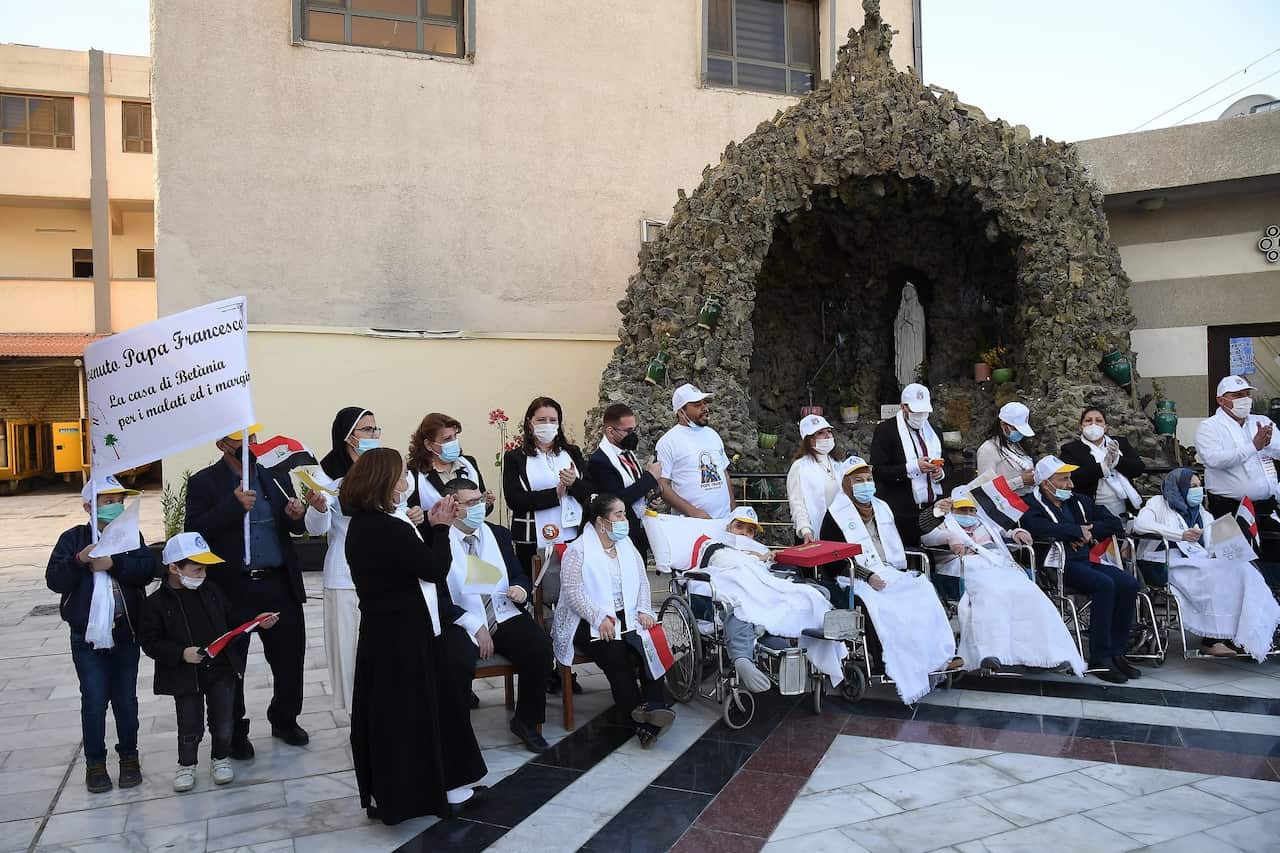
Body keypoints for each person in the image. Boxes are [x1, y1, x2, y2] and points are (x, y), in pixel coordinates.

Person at [344, 448, 486, 823]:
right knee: (410, 717)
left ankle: (399, 792)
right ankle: (418, 795)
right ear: (385, 483)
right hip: (403, 634)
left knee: (395, 715)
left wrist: (428, 526)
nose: (407, 483)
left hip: (385, 631)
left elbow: (406, 561)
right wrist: (439, 529)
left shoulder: (366, 523)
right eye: (402, 477)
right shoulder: (386, 526)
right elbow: (433, 568)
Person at [185, 424, 309, 758]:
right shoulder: (203, 482)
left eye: (251, 437)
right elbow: (193, 532)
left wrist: (297, 517)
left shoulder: (274, 476)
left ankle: (285, 718)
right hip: (231, 588)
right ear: (221, 443)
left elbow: (292, 527)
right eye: (240, 438)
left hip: (277, 582)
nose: (249, 443)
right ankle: (236, 730)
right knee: (231, 663)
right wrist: (232, 507)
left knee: (289, 657)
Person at [139, 532, 280, 791]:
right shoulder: (156, 604)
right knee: (189, 723)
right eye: (196, 569)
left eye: (204, 569)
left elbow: (233, 617)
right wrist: (181, 653)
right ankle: (187, 764)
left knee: (224, 721)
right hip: (184, 676)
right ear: (173, 567)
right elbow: (149, 642)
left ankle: (220, 758)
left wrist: (257, 621)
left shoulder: (212, 591)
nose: (202, 575)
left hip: (221, 669)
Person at [46, 474, 155, 793]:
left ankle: (129, 758)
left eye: (119, 501)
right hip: (88, 638)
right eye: (107, 501)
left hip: (125, 634)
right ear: (88, 506)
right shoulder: (73, 538)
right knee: (94, 700)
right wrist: (80, 560)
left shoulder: (130, 536)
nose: (115, 507)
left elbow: (147, 571)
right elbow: (55, 579)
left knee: (126, 700)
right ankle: (95, 763)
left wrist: (114, 563)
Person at [819, 459, 960, 704]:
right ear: (846, 486)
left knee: (923, 590)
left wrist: (936, 511)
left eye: (868, 480)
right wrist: (867, 576)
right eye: (859, 481)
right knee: (885, 605)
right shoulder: (834, 516)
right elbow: (833, 560)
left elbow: (912, 526)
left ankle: (939, 656)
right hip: (856, 578)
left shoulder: (882, 507)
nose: (866, 485)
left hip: (889, 571)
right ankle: (896, 662)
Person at [551, 494, 675, 748]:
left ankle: (653, 707)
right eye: (618, 514)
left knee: (649, 646)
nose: (624, 519)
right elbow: (574, 594)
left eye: (624, 514)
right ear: (601, 521)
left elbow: (641, 581)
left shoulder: (626, 545)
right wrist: (599, 618)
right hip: (587, 620)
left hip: (627, 613)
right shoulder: (578, 550)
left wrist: (643, 610)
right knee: (617, 656)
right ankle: (641, 723)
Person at [440, 477, 552, 753]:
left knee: (539, 646)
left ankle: (526, 720)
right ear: (453, 506)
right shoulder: (439, 539)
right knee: (456, 661)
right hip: (461, 619)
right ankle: (457, 735)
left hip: (502, 611)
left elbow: (517, 572)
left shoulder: (497, 534)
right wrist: (474, 626)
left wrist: (520, 589)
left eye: (480, 500)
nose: (480, 506)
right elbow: (439, 596)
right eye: (472, 502)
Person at [920, 490, 1085, 675]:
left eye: (971, 510)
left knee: (1030, 593)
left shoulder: (986, 524)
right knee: (992, 593)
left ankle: (1048, 653)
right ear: (953, 510)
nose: (968, 514)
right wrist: (949, 538)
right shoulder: (945, 524)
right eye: (962, 510)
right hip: (966, 567)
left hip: (998, 566)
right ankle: (991, 652)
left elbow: (1006, 531)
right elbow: (927, 537)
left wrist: (1018, 532)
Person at [691, 507, 846, 692]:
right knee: (742, 606)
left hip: (763, 587)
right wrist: (756, 560)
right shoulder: (714, 545)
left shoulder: (760, 551)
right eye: (739, 526)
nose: (744, 533)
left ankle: (813, 634)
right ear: (728, 527)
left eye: (750, 530)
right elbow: (722, 562)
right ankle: (742, 658)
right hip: (731, 583)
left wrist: (766, 560)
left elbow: (773, 575)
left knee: (810, 594)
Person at [1133, 468, 1280, 660]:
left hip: (1198, 558)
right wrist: (1180, 535)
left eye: (1199, 485)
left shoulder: (1202, 512)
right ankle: (1211, 640)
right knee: (1216, 575)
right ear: (1178, 488)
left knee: (1242, 570)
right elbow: (1140, 525)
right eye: (1192, 486)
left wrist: (1224, 550)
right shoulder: (1159, 503)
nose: (1198, 490)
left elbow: (1211, 543)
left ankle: (1245, 634)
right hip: (1165, 559)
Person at [1020, 455, 1137, 684]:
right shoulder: (1030, 503)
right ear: (1046, 483)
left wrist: (1089, 531)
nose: (1070, 485)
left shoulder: (1079, 501)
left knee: (1128, 583)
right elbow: (1035, 526)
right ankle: (1100, 657)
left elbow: (1112, 522)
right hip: (1058, 565)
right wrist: (1074, 532)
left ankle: (1117, 651)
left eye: (1070, 479)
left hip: (1088, 559)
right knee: (1105, 585)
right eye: (1063, 480)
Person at [1195, 375, 1280, 585]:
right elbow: (1214, 459)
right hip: (1227, 509)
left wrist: (1266, 445)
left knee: (1272, 560)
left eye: (1247, 395)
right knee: (1235, 566)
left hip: (1265, 505)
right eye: (1237, 395)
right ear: (1221, 400)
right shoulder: (1209, 427)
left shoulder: (1262, 421)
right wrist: (1253, 447)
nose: (1245, 399)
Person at [502, 396, 594, 576]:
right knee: (536, 590)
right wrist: (555, 494)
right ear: (530, 422)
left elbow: (590, 490)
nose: (547, 425)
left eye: (553, 420)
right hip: (532, 538)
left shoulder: (572, 453)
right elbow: (514, 499)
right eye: (541, 420)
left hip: (572, 533)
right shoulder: (515, 458)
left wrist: (573, 483)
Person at [870, 383, 945, 546]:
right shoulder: (886, 430)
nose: (920, 416)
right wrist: (912, 467)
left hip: (931, 505)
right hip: (901, 509)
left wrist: (941, 473)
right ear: (903, 407)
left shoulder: (934, 432)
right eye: (915, 411)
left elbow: (949, 464)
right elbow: (878, 471)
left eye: (924, 412)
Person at [588, 403, 663, 560]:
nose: (632, 435)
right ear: (610, 431)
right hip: (618, 531)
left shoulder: (627, 453)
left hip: (639, 527)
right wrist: (649, 478)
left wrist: (649, 497)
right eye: (628, 431)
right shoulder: (599, 461)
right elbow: (617, 498)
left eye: (633, 430)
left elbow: (635, 487)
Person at [655, 383, 734, 519]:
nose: (704, 408)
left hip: (725, 521)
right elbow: (662, 485)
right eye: (697, 405)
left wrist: (733, 508)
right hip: (692, 524)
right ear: (681, 412)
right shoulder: (668, 442)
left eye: (704, 403)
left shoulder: (712, 434)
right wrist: (693, 512)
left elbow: (724, 473)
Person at [1060, 407, 1145, 518]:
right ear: (1081, 427)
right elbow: (1073, 476)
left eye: (1099, 421)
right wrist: (1103, 467)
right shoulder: (1070, 449)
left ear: (1105, 427)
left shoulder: (1120, 443)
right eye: (1088, 421)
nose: (1093, 424)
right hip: (1092, 508)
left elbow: (1139, 468)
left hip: (1125, 506)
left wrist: (1117, 461)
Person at [407, 412, 495, 516]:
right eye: (447, 439)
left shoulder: (469, 463)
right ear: (429, 445)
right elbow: (410, 514)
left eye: (455, 436)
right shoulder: (413, 472)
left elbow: (481, 509)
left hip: (468, 531)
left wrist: (485, 504)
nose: (454, 442)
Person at [787, 414, 853, 544]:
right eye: (821, 433)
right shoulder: (799, 467)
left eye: (829, 431)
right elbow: (797, 503)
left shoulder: (838, 463)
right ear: (809, 439)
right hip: (812, 533)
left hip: (840, 528)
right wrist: (805, 529)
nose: (828, 436)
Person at [974, 402, 1036, 495]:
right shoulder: (988, 449)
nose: (1020, 434)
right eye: (1016, 429)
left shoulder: (1017, 445)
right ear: (1003, 425)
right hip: (1007, 505)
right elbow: (985, 489)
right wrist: (1020, 481)